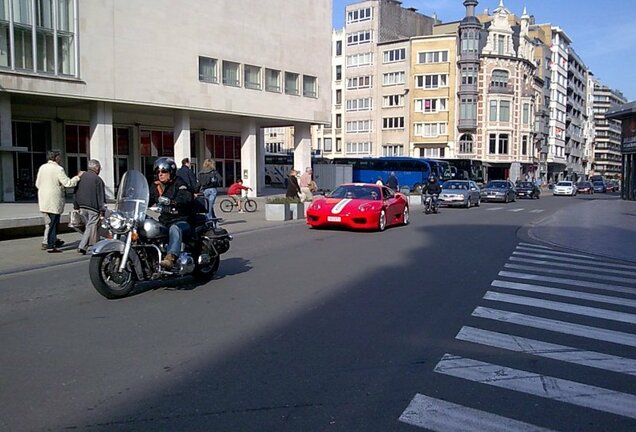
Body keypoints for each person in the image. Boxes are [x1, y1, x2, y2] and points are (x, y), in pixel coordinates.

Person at [149, 157, 194, 269]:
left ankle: (171, 257)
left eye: (164, 171)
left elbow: (186, 197)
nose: (160, 174)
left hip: (181, 220)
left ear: (171, 172)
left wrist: (173, 202)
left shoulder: (179, 183)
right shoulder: (156, 185)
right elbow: (147, 199)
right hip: (164, 220)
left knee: (175, 228)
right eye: (158, 172)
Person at [35, 150, 83, 253]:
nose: (60, 158)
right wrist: (77, 177)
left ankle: (48, 241)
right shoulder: (58, 169)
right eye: (59, 157)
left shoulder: (42, 167)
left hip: (43, 199)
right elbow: (68, 183)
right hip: (54, 200)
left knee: (48, 223)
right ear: (56, 157)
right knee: (53, 223)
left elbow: (37, 184)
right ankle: (50, 245)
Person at [73, 159, 106, 255]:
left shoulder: (81, 177)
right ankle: (82, 246)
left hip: (82, 206)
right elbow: (100, 196)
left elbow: (75, 192)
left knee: (88, 226)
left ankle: (91, 243)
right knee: (90, 226)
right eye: (99, 168)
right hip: (93, 207)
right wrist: (102, 210)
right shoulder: (98, 180)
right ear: (97, 168)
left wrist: (76, 205)